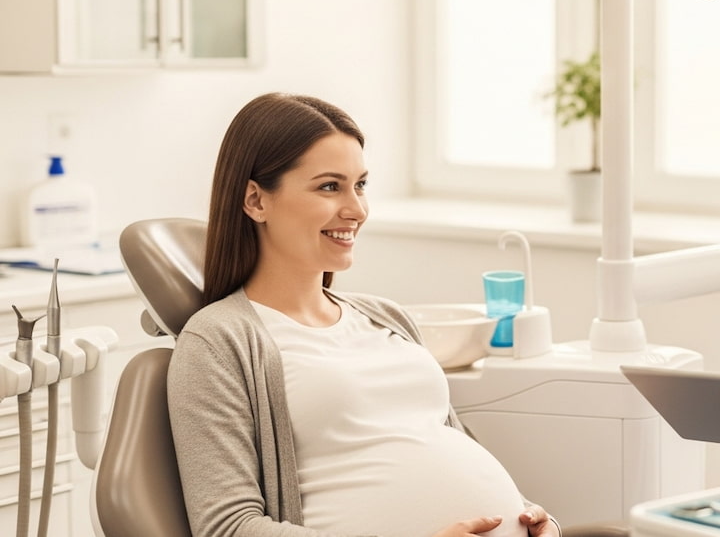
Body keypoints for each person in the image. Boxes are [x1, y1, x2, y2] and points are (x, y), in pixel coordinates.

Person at [167, 92, 561, 537]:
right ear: (256, 200)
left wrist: (532, 518)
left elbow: (443, 446)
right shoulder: (218, 341)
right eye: (329, 186)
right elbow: (227, 528)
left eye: (361, 184)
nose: (357, 210)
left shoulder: (386, 317)